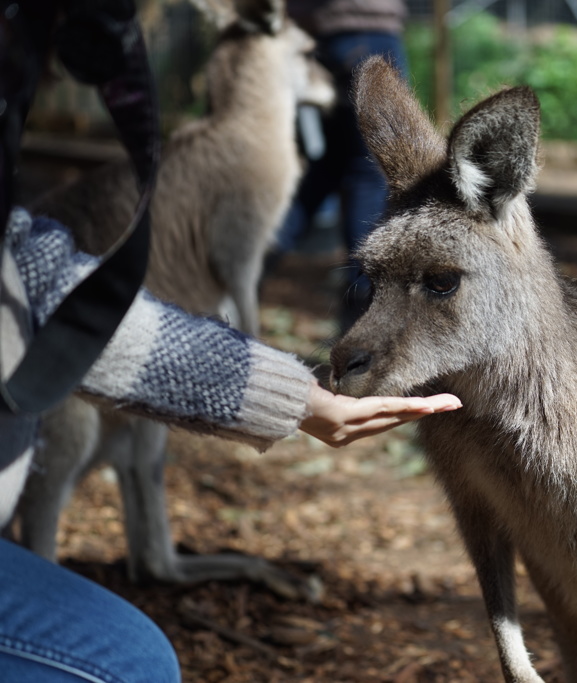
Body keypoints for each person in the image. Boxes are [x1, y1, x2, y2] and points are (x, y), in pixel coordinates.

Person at [0, 2, 458, 681]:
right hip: (56, 400)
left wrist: (291, 394)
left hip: (100, 348)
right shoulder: (244, 151)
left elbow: (53, 291)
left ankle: (148, 553)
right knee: (131, 662)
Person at [272, 0, 409, 329]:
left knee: (329, 168)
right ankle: (362, 303)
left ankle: (252, 259)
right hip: (369, 32)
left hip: (319, 41)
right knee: (370, 171)